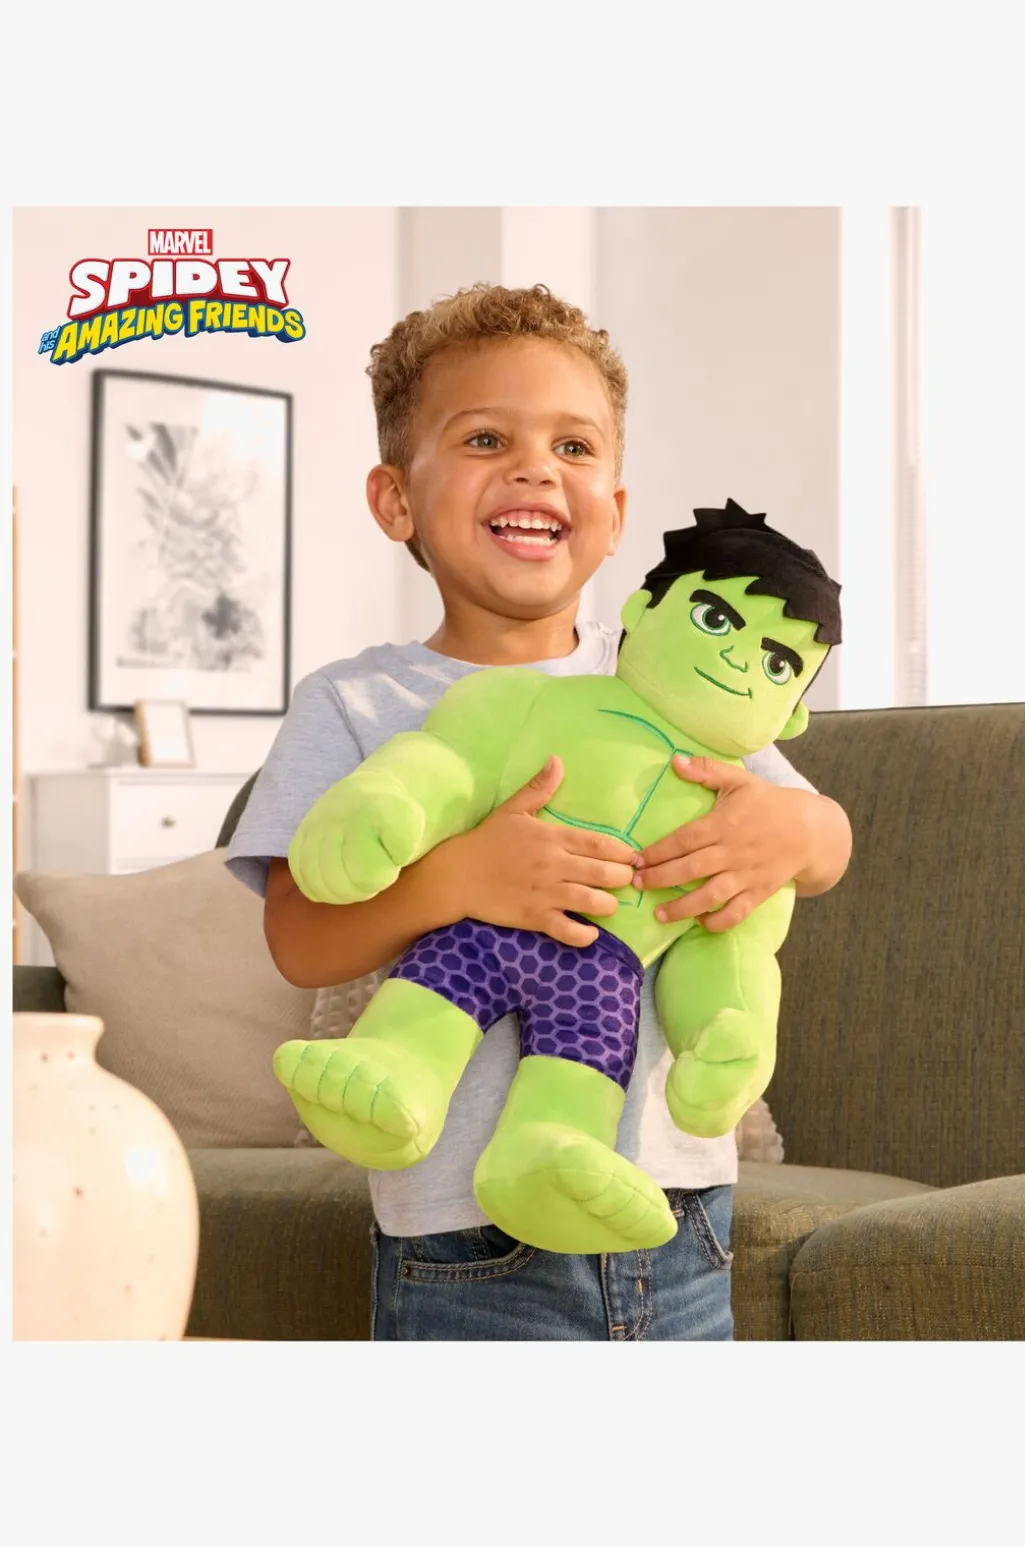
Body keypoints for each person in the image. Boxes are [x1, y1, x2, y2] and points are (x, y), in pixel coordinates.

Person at [226, 283, 853, 1341]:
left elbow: (821, 840)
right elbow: (298, 937)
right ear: (395, 499)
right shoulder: (356, 701)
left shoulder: (675, 683)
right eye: (485, 438)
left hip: (676, 1215)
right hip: (461, 1240)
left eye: (573, 445)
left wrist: (798, 830)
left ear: (614, 514)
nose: (534, 469)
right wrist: (460, 877)